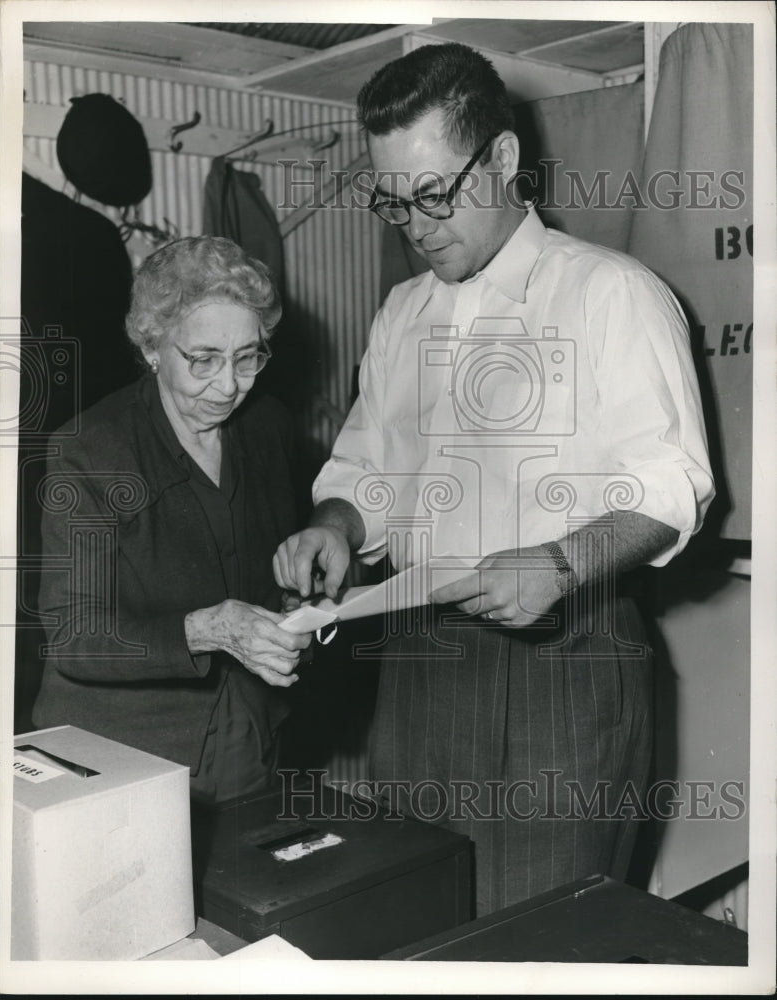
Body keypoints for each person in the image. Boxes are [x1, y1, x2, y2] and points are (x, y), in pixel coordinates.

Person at [273, 43, 715, 915]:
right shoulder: (402, 314)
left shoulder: (611, 295)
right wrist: (335, 525)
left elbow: (672, 486)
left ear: (504, 159)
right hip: (416, 661)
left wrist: (559, 561)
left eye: (434, 194)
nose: (417, 225)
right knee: (414, 914)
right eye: (393, 202)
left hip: (565, 662)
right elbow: (363, 470)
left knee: (539, 938)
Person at [33, 236, 312, 804]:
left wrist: (297, 605)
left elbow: (269, 571)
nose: (230, 385)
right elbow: (72, 634)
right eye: (204, 359)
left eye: (248, 356)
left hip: (245, 733)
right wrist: (209, 629)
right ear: (154, 347)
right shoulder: (88, 450)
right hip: (120, 753)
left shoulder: (268, 428)